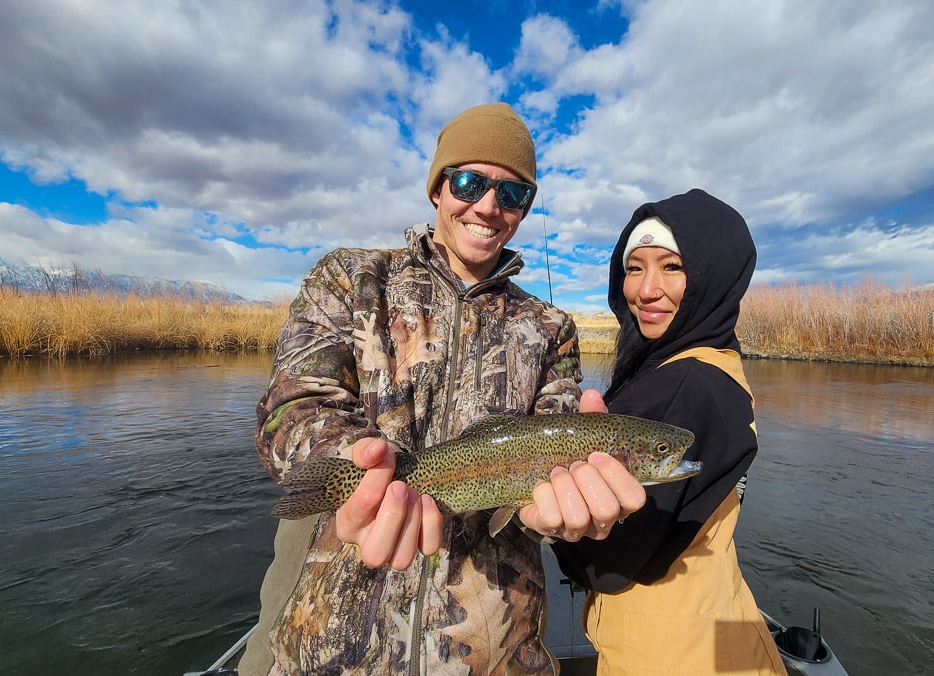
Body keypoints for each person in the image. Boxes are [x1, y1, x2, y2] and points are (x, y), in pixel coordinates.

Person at [237, 102, 646, 675]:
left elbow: (551, 461)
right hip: (336, 650)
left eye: (512, 193)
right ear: (438, 187)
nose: (488, 206)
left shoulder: (553, 328)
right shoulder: (351, 281)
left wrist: (561, 513)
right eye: (471, 182)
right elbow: (293, 408)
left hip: (494, 655)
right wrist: (360, 474)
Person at [551, 189, 787, 675]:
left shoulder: (681, 388)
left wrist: (557, 528)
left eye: (672, 267)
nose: (645, 289)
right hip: (719, 623)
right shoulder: (717, 364)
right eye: (634, 267)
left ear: (714, 275)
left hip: (666, 653)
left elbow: (606, 566)